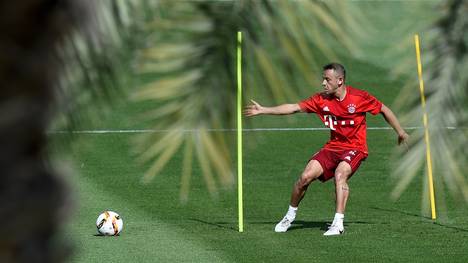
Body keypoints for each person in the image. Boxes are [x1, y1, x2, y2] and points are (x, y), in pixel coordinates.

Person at [244, 63, 409, 236]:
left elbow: (384, 109)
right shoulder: (321, 99)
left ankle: (338, 224)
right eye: (323, 79)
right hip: (333, 148)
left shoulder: (359, 97)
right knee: (305, 177)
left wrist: (401, 132)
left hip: (355, 148)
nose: (323, 83)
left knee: (340, 174)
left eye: (327, 79)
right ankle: (289, 216)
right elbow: (293, 108)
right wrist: (263, 110)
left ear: (340, 81)